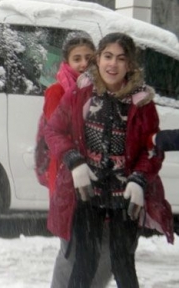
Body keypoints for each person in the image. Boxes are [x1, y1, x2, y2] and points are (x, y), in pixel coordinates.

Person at [45, 32, 174, 288]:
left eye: (120, 58)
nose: (112, 64)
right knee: (84, 262)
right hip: (87, 192)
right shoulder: (81, 94)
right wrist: (74, 161)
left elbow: (151, 149)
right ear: (98, 59)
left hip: (125, 197)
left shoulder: (142, 102)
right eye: (107, 56)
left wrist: (139, 179)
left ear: (130, 65)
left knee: (123, 265)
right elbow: (54, 130)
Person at [40, 33, 113, 288]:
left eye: (88, 58)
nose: (83, 63)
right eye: (76, 58)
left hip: (97, 178)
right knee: (71, 245)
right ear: (66, 61)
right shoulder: (58, 92)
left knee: (102, 245)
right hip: (65, 173)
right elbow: (57, 133)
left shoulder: (104, 87)